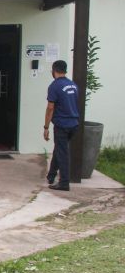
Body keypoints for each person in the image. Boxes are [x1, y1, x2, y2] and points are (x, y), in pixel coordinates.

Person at [44, 59, 80, 191]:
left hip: (62, 125)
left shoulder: (54, 86)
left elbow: (50, 108)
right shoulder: (73, 85)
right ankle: (51, 175)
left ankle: (64, 182)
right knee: (59, 149)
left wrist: (46, 127)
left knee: (62, 152)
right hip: (74, 124)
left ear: (54, 70)